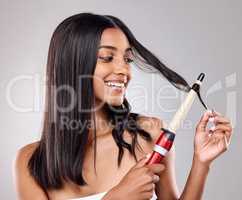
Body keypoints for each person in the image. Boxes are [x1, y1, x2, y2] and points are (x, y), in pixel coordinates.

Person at [13, 13, 233, 200]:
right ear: (73, 65)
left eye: (127, 60)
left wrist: (201, 163)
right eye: (107, 57)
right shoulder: (31, 162)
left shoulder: (150, 134)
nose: (124, 71)